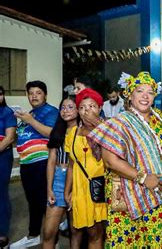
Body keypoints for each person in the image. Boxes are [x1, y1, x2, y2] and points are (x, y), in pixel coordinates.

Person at [88, 71, 162, 248]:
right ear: (129, 94)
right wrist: (143, 178)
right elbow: (110, 161)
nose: (145, 96)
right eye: (139, 91)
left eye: (150, 92)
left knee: (161, 242)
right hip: (127, 194)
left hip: (160, 193)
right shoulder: (118, 122)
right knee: (129, 241)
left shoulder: (160, 120)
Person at [10, 81, 59, 249]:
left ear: (45, 95)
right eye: (31, 93)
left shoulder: (50, 111)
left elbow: (53, 134)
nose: (34, 96)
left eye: (38, 92)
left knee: (47, 203)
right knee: (33, 201)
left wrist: (30, 120)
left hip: (42, 163)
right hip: (27, 163)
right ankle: (34, 235)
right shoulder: (29, 113)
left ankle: (53, 240)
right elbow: (22, 136)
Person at [64, 89, 107, 249]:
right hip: (81, 190)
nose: (87, 110)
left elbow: (119, 152)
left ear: (100, 108)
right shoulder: (73, 133)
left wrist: (98, 125)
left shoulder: (109, 129)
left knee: (98, 233)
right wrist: (67, 191)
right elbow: (71, 165)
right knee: (89, 232)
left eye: (92, 106)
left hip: (102, 189)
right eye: (82, 107)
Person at [43, 96, 81, 249]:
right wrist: (49, 188)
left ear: (78, 109)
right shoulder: (57, 131)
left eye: (70, 107)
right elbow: (51, 161)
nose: (66, 111)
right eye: (63, 108)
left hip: (78, 179)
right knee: (48, 232)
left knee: (75, 231)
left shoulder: (83, 131)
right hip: (59, 177)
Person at [0, 86, 17, 248]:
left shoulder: (7, 112)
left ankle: (2, 233)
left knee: (1, 194)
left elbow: (10, 137)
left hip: (2, 157)